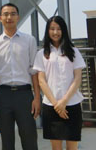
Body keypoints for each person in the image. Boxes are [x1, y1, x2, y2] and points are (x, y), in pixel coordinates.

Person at [0, 3, 41, 150]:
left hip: (24, 95)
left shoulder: (29, 40)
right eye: (5, 14)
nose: (9, 17)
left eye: (13, 14)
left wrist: (37, 98)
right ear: (0, 18)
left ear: (18, 17)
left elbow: (34, 71)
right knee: (7, 141)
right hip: (3, 95)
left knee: (29, 138)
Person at [33, 16, 86, 150]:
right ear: (47, 31)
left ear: (64, 31)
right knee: (56, 148)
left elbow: (77, 78)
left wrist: (64, 101)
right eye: (52, 29)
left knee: (72, 147)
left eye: (58, 29)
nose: (55, 32)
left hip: (71, 104)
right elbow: (41, 81)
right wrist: (56, 104)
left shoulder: (74, 52)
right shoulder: (41, 54)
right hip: (51, 106)